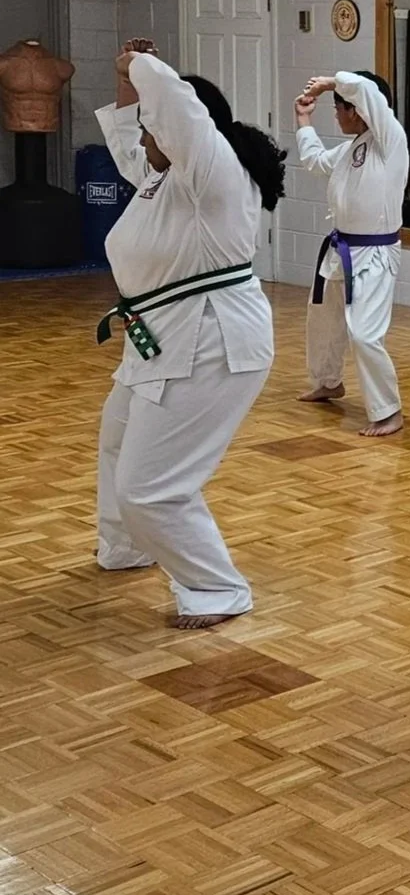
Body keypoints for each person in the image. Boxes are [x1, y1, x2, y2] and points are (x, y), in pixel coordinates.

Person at [93, 38, 285, 628]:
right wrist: (127, 84)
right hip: (161, 336)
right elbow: (133, 139)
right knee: (117, 442)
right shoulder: (161, 175)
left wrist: (142, 67)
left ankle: (216, 588)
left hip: (211, 343)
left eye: (153, 130)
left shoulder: (211, 172)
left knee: (151, 485)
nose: (144, 141)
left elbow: (177, 111)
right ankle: (128, 546)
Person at [295, 71, 409, 437]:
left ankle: (388, 410)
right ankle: (328, 381)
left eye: (339, 107)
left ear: (358, 109)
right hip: (340, 247)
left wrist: (330, 81)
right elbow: (315, 161)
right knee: (323, 319)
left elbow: (366, 90)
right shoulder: (351, 149)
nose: (337, 114)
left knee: (364, 333)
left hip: (375, 255)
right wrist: (303, 122)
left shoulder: (390, 141)